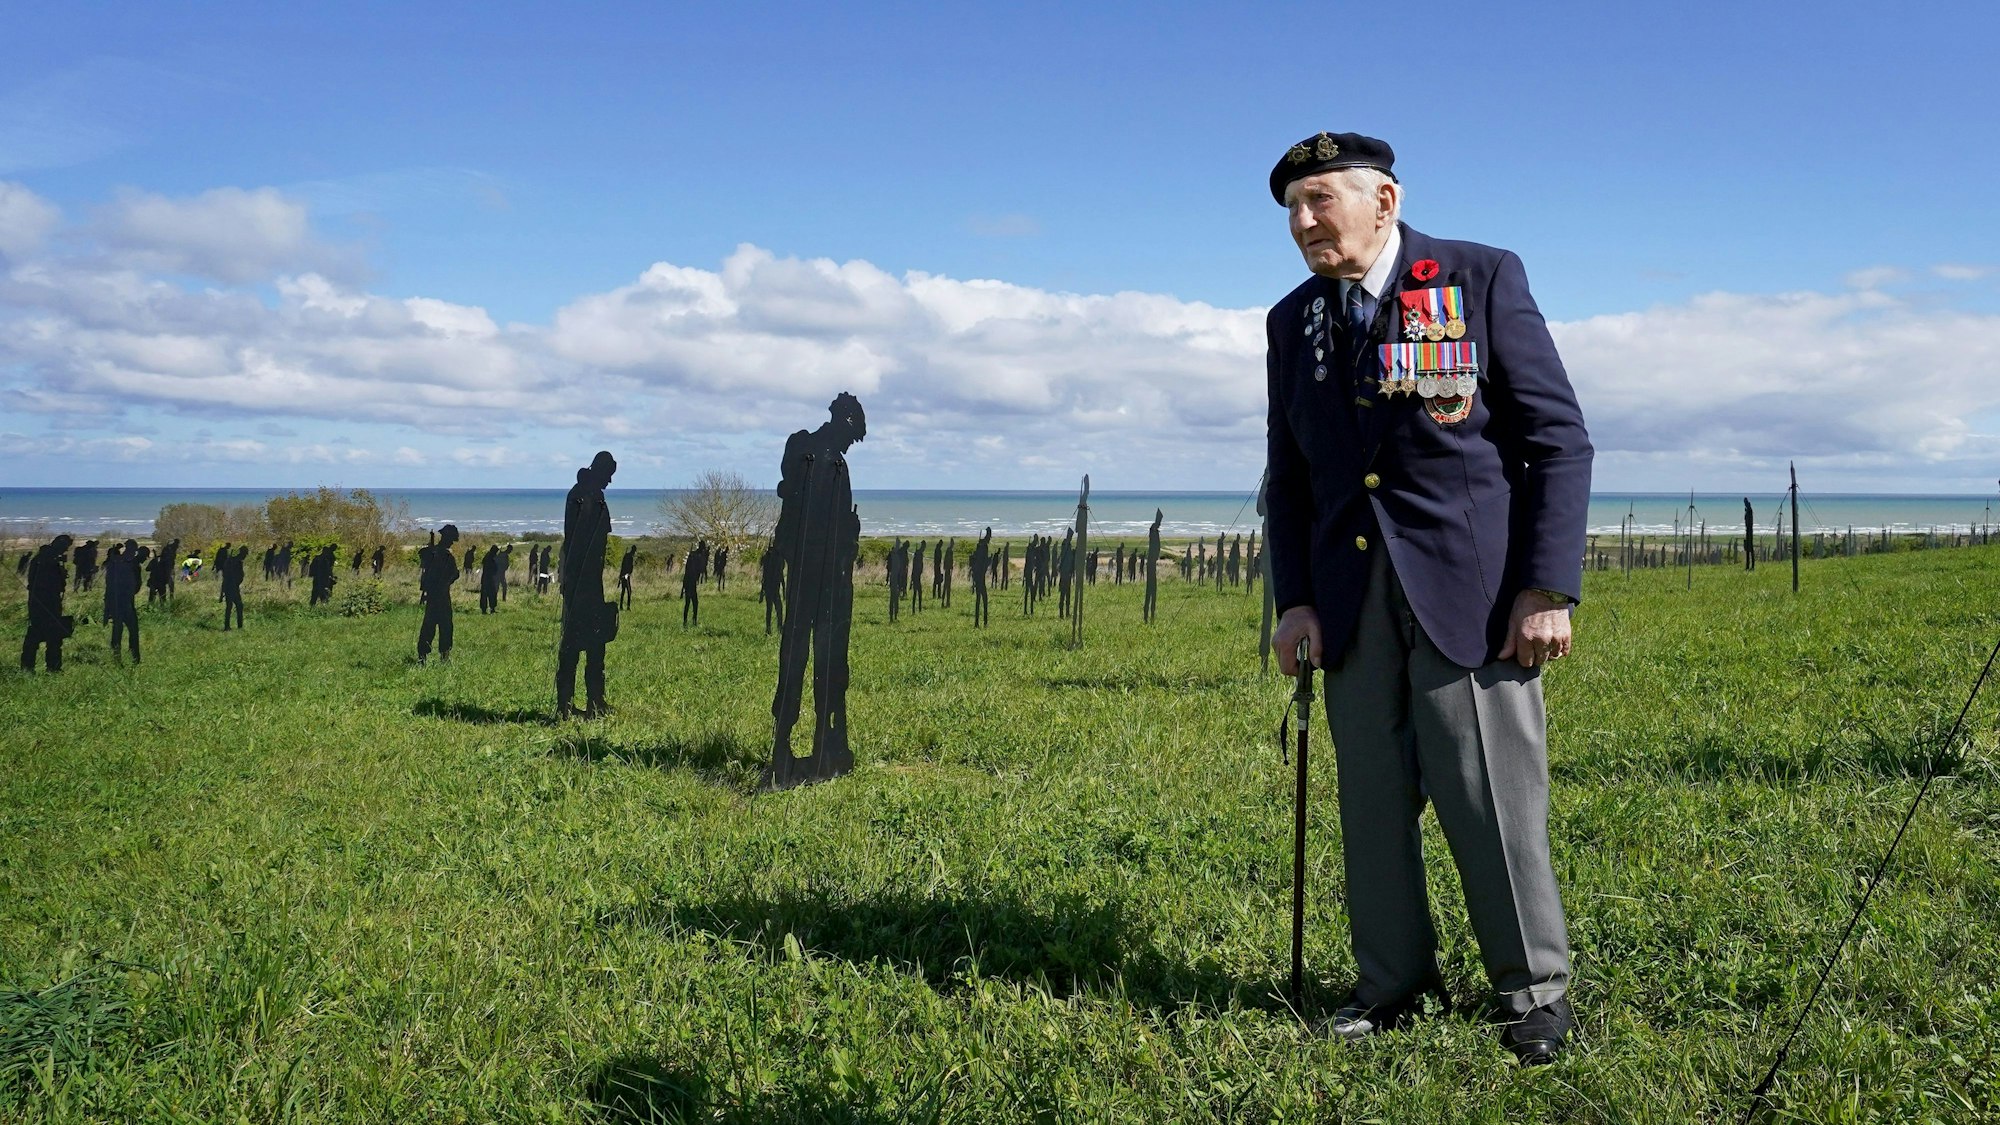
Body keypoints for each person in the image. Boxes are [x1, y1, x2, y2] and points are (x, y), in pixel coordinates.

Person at [1264, 131, 1592, 1064]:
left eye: (1321, 199)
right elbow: (1290, 476)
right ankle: (1393, 984)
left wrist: (1544, 586)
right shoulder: (1294, 321)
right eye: (1292, 207)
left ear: (1386, 200)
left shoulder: (1478, 278)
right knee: (1371, 802)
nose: (1304, 221)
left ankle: (1532, 991)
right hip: (1350, 599)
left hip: (1471, 596)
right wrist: (1295, 602)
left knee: (1489, 795)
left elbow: (1557, 441)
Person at [765, 393, 865, 789]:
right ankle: (807, 752)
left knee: (802, 658)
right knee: (821, 661)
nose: (851, 445)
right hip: (822, 578)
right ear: (843, 424)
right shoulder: (825, 459)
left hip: (809, 573)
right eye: (852, 436)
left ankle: (801, 748)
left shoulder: (808, 453)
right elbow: (822, 524)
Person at [557, 454, 617, 718]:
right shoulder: (585, 497)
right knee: (575, 643)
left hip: (588, 579)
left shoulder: (586, 494)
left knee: (594, 643)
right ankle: (568, 706)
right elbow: (581, 543)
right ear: (600, 470)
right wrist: (573, 580)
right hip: (582, 581)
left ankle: (594, 701)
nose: (610, 481)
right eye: (608, 474)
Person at [21, 535, 73, 671]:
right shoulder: (44, 560)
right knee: (41, 635)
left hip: (46, 602)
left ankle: (48, 667)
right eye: (64, 547)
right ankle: (41, 667)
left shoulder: (46, 559)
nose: (65, 551)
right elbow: (46, 583)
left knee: (51, 635)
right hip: (43, 603)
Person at [417, 524, 460, 665]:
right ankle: (443, 657)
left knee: (429, 626)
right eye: (451, 540)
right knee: (445, 626)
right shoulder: (446, 556)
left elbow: (424, 562)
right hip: (441, 595)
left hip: (432, 594)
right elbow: (454, 574)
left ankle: (423, 656)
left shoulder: (432, 553)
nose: (451, 543)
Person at [102, 539, 142, 663]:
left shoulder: (114, 562)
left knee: (119, 629)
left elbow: (108, 583)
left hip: (116, 600)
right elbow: (136, 586)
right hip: (124, 602)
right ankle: (132, 657)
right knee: (131, 630)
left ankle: (119, 657)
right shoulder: (131, 564)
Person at [220, 545, 246, 630]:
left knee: (230, 606)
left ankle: (229, 626)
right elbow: (236, 575)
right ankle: (237, 626)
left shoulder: (232, 560)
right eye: (245, 553)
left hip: (230, 586)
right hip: (232, 586)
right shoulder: (236, 562)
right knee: (237, 606)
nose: (245, 556)